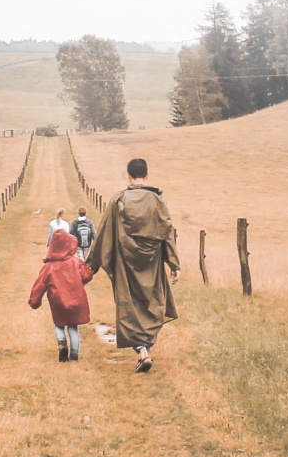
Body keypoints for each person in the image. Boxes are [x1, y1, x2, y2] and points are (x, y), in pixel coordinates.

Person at [90, 157, 180, 373]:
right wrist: (174, 263)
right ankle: (145, 348)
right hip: (153, 263)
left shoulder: (118, 199)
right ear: (146, 175)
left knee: (129, 306)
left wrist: (91, 265)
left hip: (125, 263)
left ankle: (142, 351)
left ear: (128, 175)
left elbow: (103, 232)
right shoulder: (158, 200)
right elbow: (167, 231)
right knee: (151, 303)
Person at [29, 229, 93, 362]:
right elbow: (86, 276)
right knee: (73, 327)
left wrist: (34, 301)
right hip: (76, 299)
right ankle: (74, 355)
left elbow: (39, 285)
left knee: (59, 325)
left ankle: (62, 343)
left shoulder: (49, 267)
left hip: (57, 301)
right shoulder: (75, 262)